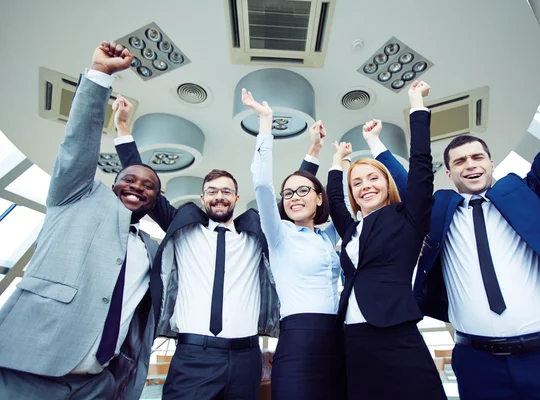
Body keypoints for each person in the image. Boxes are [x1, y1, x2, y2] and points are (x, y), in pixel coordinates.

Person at [376, 38, 540, 399]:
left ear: (491, 163)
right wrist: (380, 143)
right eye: (460, 161)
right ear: (449, 174)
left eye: (477, 157)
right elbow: (408, 184)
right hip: (478, 364)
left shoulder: (527, 196)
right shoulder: (441, 216)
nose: (471, 165)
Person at [114, 101, 323, 400]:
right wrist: (123, 130)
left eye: (226, 191)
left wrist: (313, 152)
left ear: (236, 197)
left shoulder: (256, 235)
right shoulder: (184, 228)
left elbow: (293, 201)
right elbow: (146, 186)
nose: (219, 197)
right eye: (212, 192)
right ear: (202, 198)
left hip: (247, 357)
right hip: (193, 357)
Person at [0, 41, 163, 399]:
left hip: (100, 382)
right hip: (30, 367)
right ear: (111, 183)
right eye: (129, 180)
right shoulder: (77, 197)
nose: (138, 187)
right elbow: (78, 145)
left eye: (149, 186)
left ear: (154, 200)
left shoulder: (151, 249)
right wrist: (100, 76)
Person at [327, 81, 447, 399]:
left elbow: (421, 166)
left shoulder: (408, 218)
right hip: (351, 337)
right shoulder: (351, 230)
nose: (365, 186)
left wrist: (416, 103)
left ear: (387, 182)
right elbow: (334, 201)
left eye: (373, 178)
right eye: (357, 183)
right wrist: (338, 161)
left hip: (395, 332)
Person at [244, 88, 345, 400]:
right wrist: (265, 122)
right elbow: (262, 183)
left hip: (340, 338)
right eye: (287, 194)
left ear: (319, 198)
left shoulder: (331, 235)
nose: (294, 198)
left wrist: (316, 150)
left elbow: (312, 186)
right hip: (298, 341)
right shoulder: (279, 235)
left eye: (303, 192)